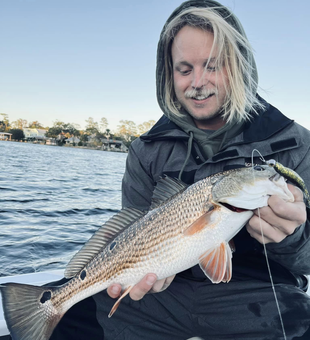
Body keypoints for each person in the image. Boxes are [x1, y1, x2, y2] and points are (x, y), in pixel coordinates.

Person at [50, 1, 310, 339]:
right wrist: (151, 268)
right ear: (168, 75)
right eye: (184, 69)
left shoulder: (297, 144)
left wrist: (292, 238)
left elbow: (305, 261)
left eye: (213, 66)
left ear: (239, 67)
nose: (197, 82)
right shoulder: (145, 149)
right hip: (161, 295)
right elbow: (131, 227)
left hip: (259, 297)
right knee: (65, 323)